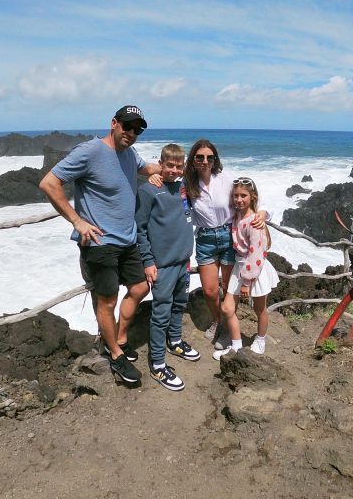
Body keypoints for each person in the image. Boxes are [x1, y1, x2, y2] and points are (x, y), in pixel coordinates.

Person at [39, 105, 160, 385]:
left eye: (137, 130)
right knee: (107, 300)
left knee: (141, 287)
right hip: (100, 242)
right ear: (114, 123)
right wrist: (77, 221)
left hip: (127, 239)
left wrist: (168, 170)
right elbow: (49, 183)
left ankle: (116, 337)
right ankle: (115, 354)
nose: (132, 133)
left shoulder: (129, 154)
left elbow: (146, 168)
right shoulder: (90, 151)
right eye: (127, 126)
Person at [182, 140, 268, 350]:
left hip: (229, 236)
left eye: (209, 157)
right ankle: (219, 321)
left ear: (215, 159)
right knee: (210, 291)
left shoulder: (226, 179)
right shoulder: (187, 182)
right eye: (200, 157)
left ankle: (230, 329)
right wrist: (155, 175)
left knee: (229, 288)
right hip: (205, 239)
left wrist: (264, 213)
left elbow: (248, 196)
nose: (205, 161)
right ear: (193, 160)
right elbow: (166, 173)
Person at [135, 143, 200, 392]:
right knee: (160, 313)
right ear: (160, 164)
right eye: (169, 165)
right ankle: (158, 364)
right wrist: (148, 263)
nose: (174, 170)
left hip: (183, 261)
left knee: (178, 305)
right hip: (161, 265)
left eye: (178, 166)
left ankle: (175, 341)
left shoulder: (184, 187)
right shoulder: (150, 190)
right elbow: (140, 230)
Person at [213, 177, 278, 360]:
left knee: (260, 308)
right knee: (227, 308)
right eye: (236, 196)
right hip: (240, 267)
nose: (239, 200)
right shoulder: (238, 214)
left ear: (252, 197)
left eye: (243, 196)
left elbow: (256, 254)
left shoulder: (254, 222)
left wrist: (246, 283)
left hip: (253, 269)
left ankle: (261, 340)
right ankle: (236, 346)